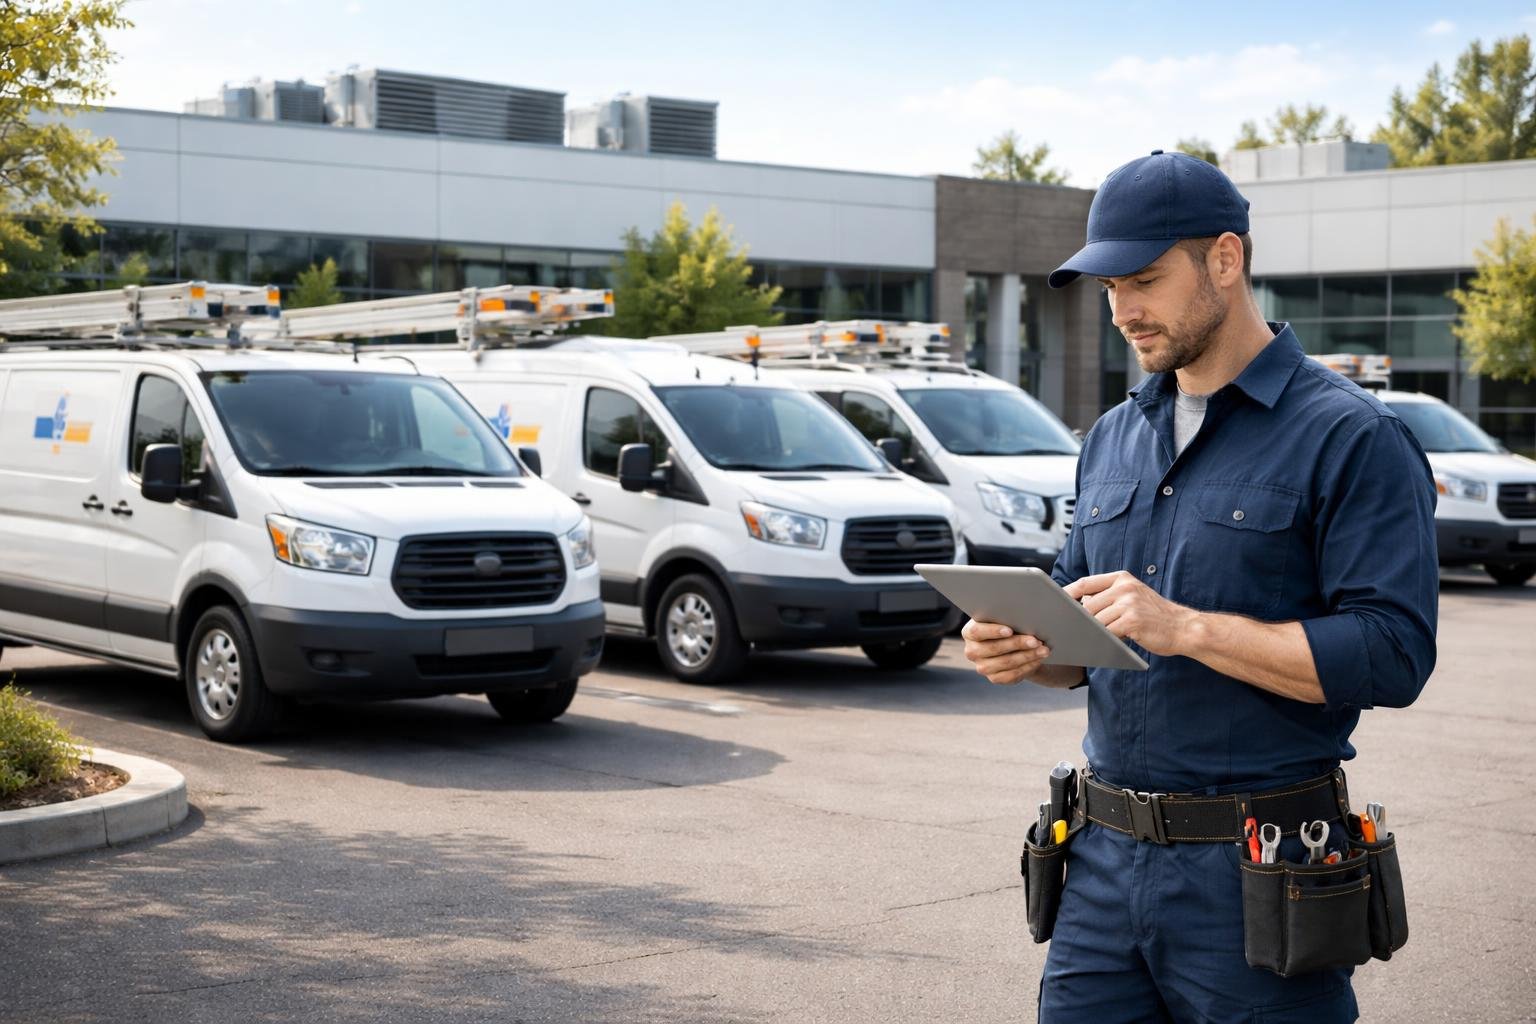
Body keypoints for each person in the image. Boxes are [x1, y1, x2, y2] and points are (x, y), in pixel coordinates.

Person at [962, 150, 1438, 1023]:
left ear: (1226, 259)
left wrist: (1186, 628)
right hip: (1099, 870)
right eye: (1109, 288)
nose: (1123, 312)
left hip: (1260, 879)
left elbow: (1394, 653)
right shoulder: (1112, 435)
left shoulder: (1351, 437)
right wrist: (1028, 650)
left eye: (1143, 279)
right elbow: (1086, 634)